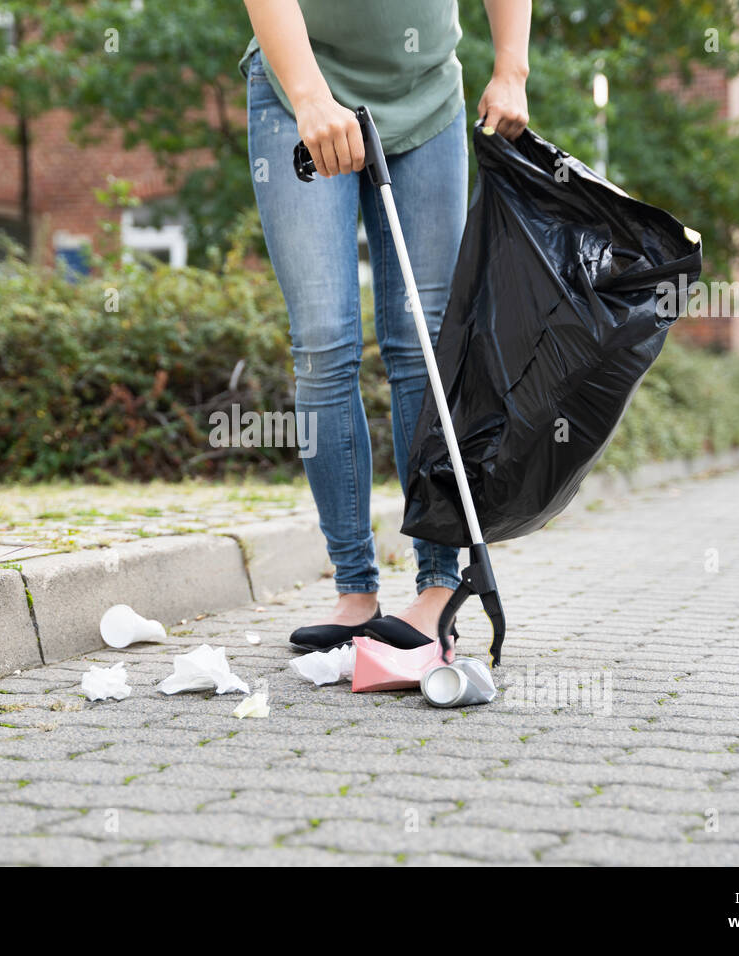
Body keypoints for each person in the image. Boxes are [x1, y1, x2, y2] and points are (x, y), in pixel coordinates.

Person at [240, 0, 530, 651]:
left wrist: (511, 66)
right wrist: (310, 95)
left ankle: (436, 588)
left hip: (424, 92)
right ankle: (354, 592)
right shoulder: (302, 94)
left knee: (424, 342)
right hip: (300, 90)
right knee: (323, 342)